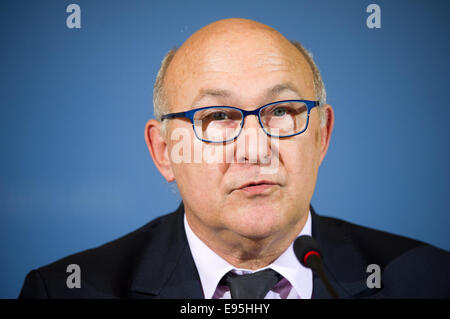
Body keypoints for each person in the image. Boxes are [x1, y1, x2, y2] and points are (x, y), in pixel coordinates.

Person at [19, 18, 449, 299]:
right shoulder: (68, 290)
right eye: (219, 117)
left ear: (322, 136)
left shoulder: (426, 281)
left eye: (281, 112)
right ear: (164, 152)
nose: (255, 147)